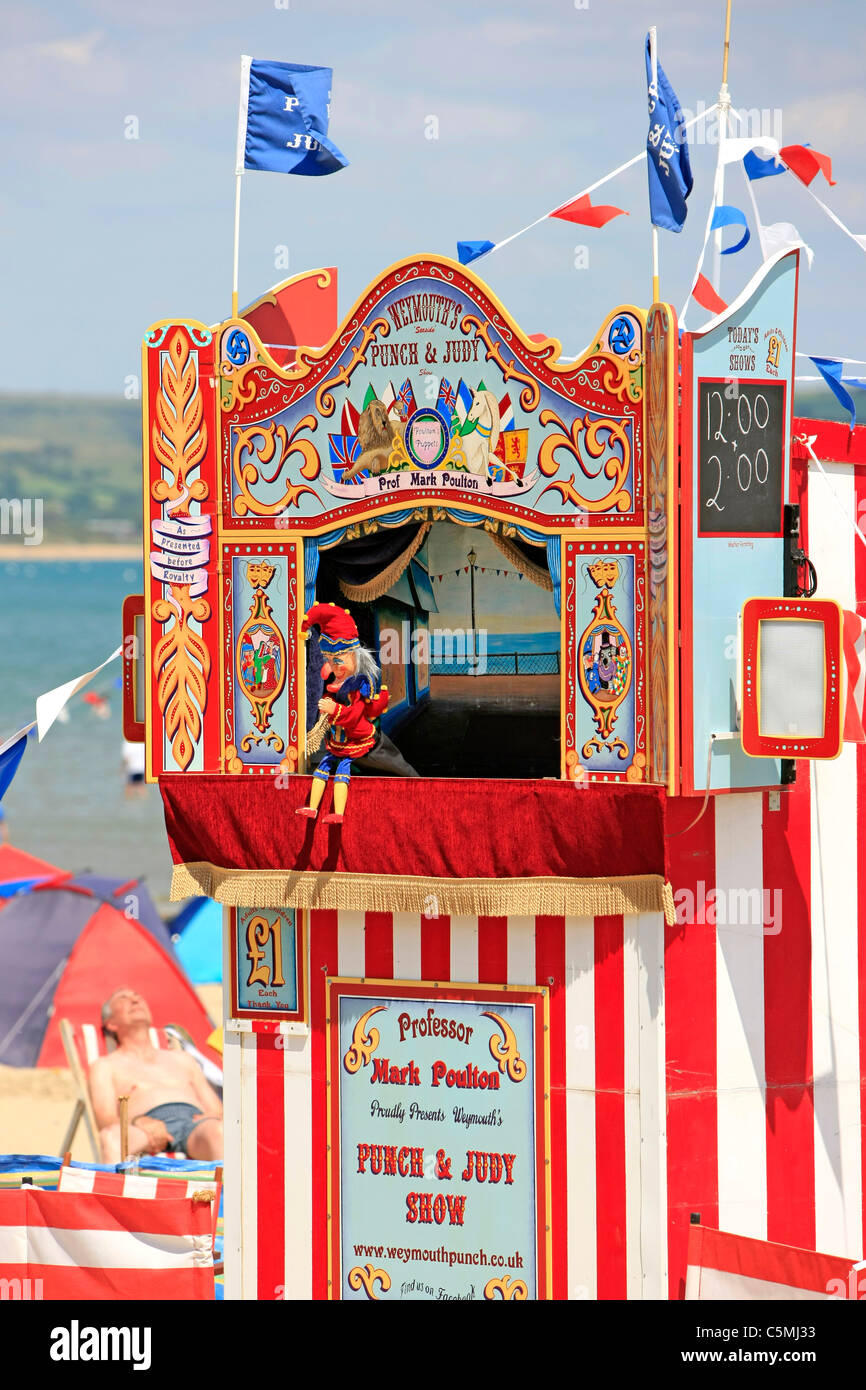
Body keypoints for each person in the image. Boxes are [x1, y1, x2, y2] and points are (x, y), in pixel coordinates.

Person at [89, 988, 223, 1161]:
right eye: (124, 999)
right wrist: (139, 1122)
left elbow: (216, 1109)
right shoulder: (105, 1065)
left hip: (194, 1126)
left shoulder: (183, 1058)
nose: (135, 1000)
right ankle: (113, 1188)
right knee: (111, 1139)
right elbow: (105, 1120)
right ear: (111, 1023)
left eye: (138, 996)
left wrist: (213, 1118)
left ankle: (228, 1189)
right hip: (141, 1128)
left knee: (222, 1132)